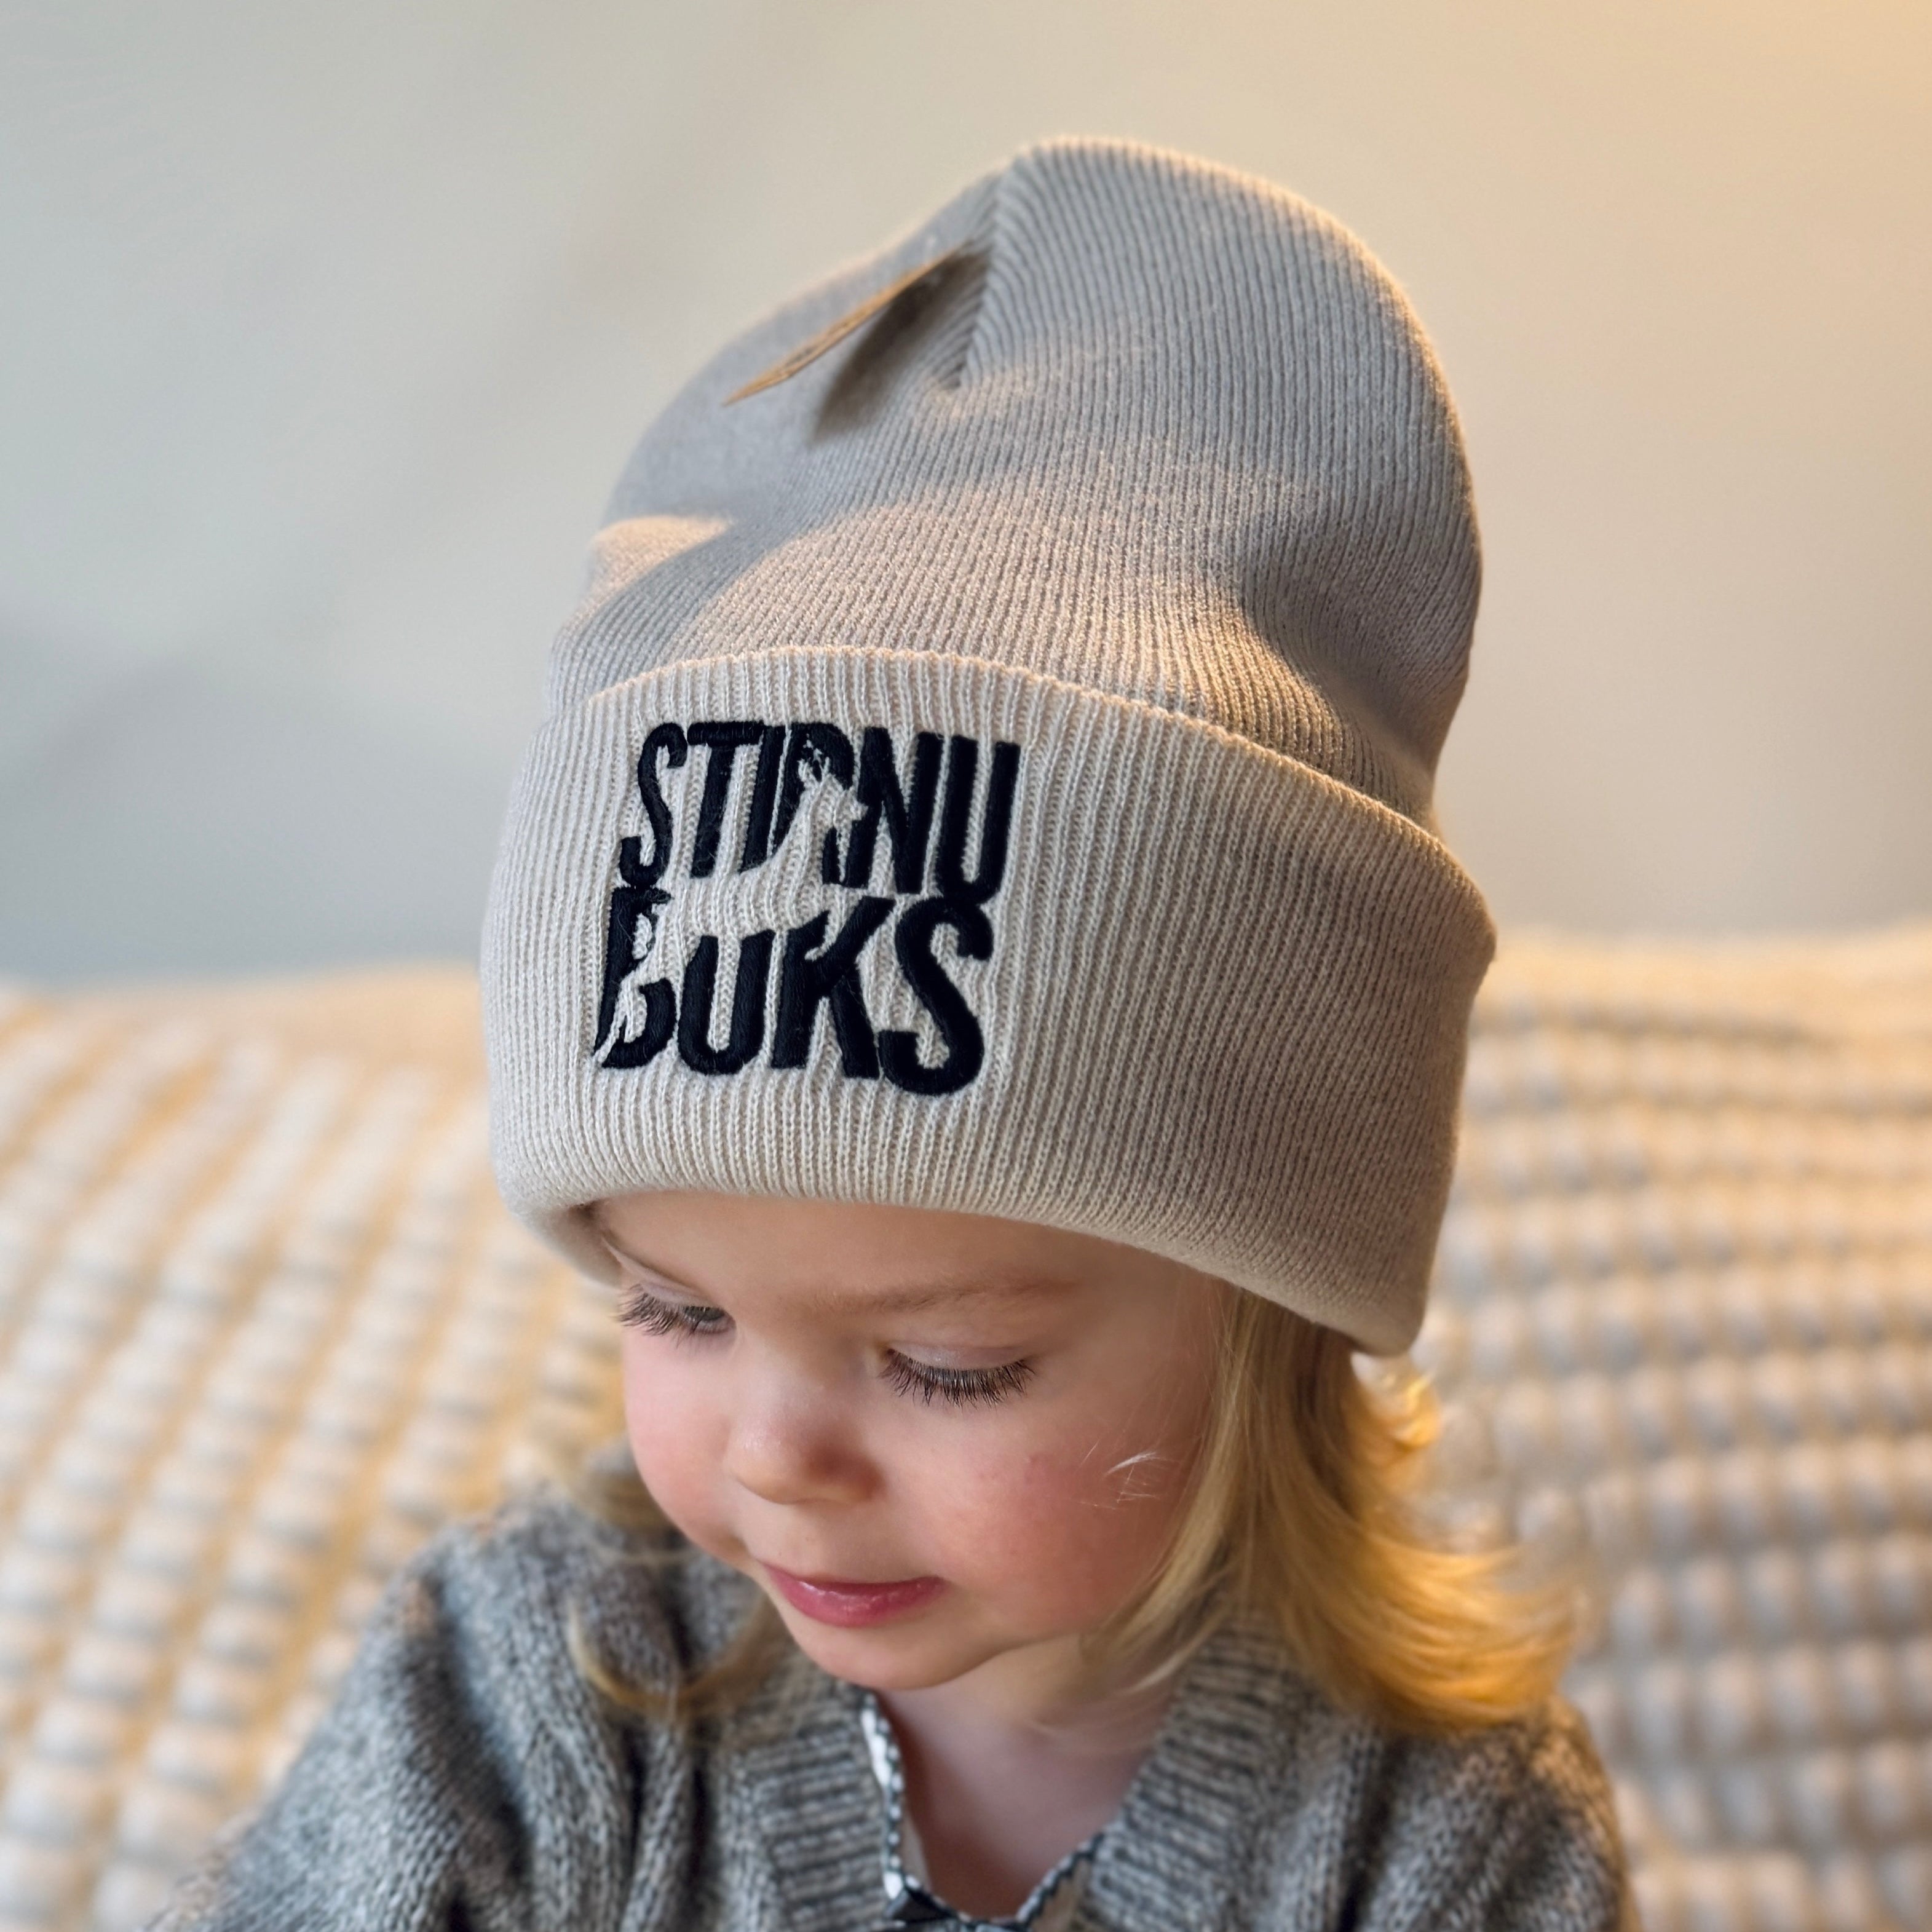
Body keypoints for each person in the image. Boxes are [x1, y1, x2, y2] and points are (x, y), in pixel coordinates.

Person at [152, 137, 1632, 1930]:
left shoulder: (1442, 1841)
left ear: (1268, 1307)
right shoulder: (525, 1700)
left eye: (948, 1366)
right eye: (677, 1310)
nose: (775, 1457)